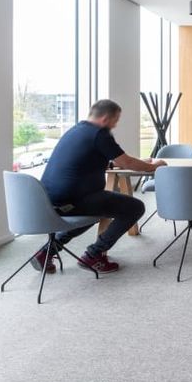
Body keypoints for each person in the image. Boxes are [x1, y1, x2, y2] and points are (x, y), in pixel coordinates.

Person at [36, 99, 166, 274]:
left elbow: (94, 161)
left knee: (97, 210)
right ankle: (93, 254)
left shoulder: (76, 130)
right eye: (115, 120)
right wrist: (153, 166)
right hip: (74, 201)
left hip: (49, 202)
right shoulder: (100, 134)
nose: (115, 125)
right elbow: (127, 162)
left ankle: (46, 252)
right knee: (135, 207)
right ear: (105, 118)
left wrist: (128, 163)